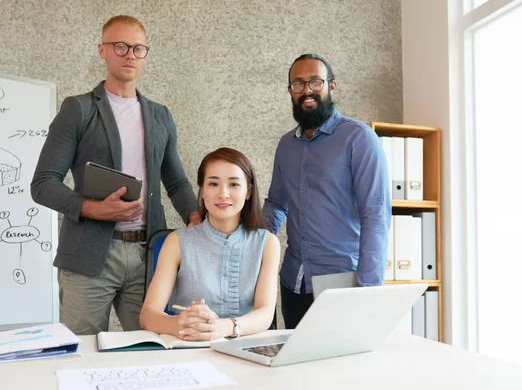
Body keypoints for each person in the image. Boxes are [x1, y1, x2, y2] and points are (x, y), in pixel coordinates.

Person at [30, 15, 200, 335]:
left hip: (148, 256)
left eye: (138, 49)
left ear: (146, 55)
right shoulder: (78, 109)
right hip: (88, 256)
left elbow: (176, 181)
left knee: (152, 349)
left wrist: (195, 216)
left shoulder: (160, 115)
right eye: (120, 46)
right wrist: (93, 208)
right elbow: (43, 183)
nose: (129, 55)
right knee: (82, 352)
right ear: (102, 51)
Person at [262, 54, 391, 329]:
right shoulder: (286, 145)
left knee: (339, 370)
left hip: (341, 285)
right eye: (298, 84)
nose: (307, 90)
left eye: (315, 82)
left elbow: (375, 217)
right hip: (293, 282)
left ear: (331, 87)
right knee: (297, 368)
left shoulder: (358, 138)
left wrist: (368, 291)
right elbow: (276, 204)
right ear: (290, 92)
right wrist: (247, 243)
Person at [140, 147, 280, 340]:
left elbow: (265, 314)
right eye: (213, 184)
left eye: (234, 184)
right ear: (202, 190)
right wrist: (180, 323)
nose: (223, 194)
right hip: (189, 347)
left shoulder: (267, 243)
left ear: (248, 192)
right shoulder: (177, 242)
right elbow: (148, 315)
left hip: (247, 349)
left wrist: (226, 327)